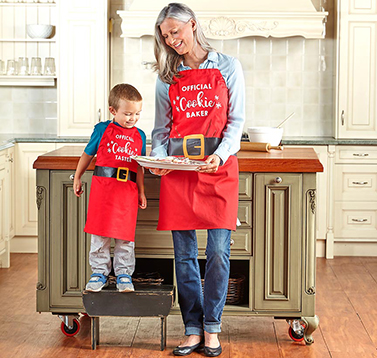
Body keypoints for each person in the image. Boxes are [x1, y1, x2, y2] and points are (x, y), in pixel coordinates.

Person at [151, 3, 245, 357]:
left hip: (217, 167)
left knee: (218, 252)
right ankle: (191, 327)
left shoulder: (227, 66)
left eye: (176, 31)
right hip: (179, 171)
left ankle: (212, 327)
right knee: (184, 255)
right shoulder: (166, 76)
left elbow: (236, 122)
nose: (172, 40)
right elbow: (160, 131)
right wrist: (159, 160)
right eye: (166, 36)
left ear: (192, 25)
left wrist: (219, 155)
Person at [74, 83, 147, 293]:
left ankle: (124, 274)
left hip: (127, 192)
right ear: (113, 111)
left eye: (137, 114)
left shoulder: (140, 135)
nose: (132, 118)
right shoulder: (102, 129)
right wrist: (77, 177)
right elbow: (87, 154)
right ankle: (99, 272)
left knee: (125, 235)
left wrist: (141, 191)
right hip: (103, 191)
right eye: (127, 114)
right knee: (100, 233)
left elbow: (139, 165)